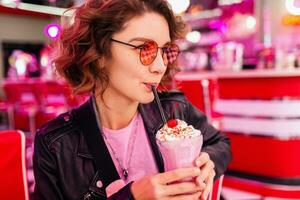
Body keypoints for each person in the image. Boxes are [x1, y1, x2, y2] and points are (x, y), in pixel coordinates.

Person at [33, 0, 232, 199]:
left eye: (164, 51)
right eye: (144, 49)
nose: (160, 66)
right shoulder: (55, 144)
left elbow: (220, 143)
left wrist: (209, 161)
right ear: (99, 52)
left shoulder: (174, 109)